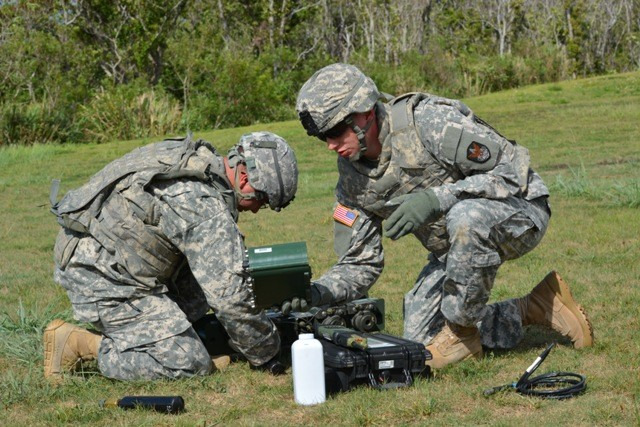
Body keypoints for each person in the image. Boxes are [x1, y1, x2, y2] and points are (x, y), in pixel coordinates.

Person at [295, 63, 593, 368]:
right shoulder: (352, 179)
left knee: (466, 217)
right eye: (323, 137)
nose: (331, 145)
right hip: (454, 248)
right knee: (419, 343)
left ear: (365, 112)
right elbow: (360, 262)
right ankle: (537, 307)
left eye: (336, 131)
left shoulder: (428, 122)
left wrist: (438, 198)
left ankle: (462, 336)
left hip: (520, 212)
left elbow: (513, 171)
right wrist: (318, 292)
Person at [44, 131, 298, 381]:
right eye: (262, 201)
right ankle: (84, 344)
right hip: (101, 277)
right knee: (189, 363)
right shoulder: (204, 205)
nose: (255, 210)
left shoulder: (199, 164)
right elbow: (228, 298)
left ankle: (164, 337)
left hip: (112, 261)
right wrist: (266, 349)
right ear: (244, 178)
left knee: (205, 291)